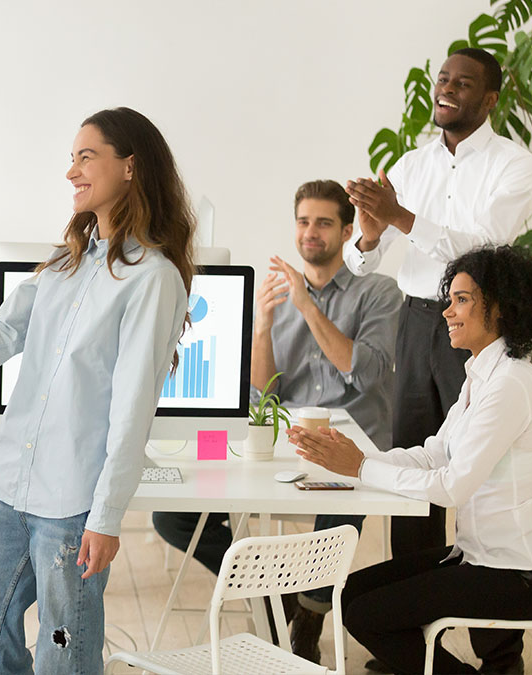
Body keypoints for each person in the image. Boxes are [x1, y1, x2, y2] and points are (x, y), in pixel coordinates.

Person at [0, 107, 192, 674]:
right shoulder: (65, 264)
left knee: (62, 664)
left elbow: (132, 409)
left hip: (73, 510)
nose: (71, 171)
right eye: (71, 158)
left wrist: (107, 517)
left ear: (129, 167)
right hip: (9, 495)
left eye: (85, 157)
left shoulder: (153, 278)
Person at [290, 245, 532, 675]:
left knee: (366, 615)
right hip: (480, 555)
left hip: (523, 573)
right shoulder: (481, 374)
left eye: (462, 300)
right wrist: (359, 459)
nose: (446, 312)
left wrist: (360, 468)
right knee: (349, 596)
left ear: (499, 308)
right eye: (450, 299)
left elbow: (452, 486)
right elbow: (434, 453)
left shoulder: (511, 383)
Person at [151, 179, 400, 663]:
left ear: (348, 231)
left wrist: (307, 305)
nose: (311, 232)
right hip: (285, 440)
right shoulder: (275, 295)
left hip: (352, 440)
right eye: (304, 221)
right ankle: (275, 595)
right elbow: (260, 396)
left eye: (324, 222)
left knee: (343, 498)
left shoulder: (379, 292)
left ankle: (308, 614)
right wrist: (262, 327)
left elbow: (365, 371)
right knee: (173, 517)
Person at [343, 47, 532, 558]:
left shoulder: (515, 166)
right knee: (414, 449)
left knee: (479, 464)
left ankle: (488, 588)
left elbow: (483, 249)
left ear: (491, 98)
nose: (448, 89)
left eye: (464, 83)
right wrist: (369, 234)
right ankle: (412, 597)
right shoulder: (410, 166)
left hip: (477, 321)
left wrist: (402, 217)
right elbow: (362, 261)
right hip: (414, 322)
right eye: (444, 79)